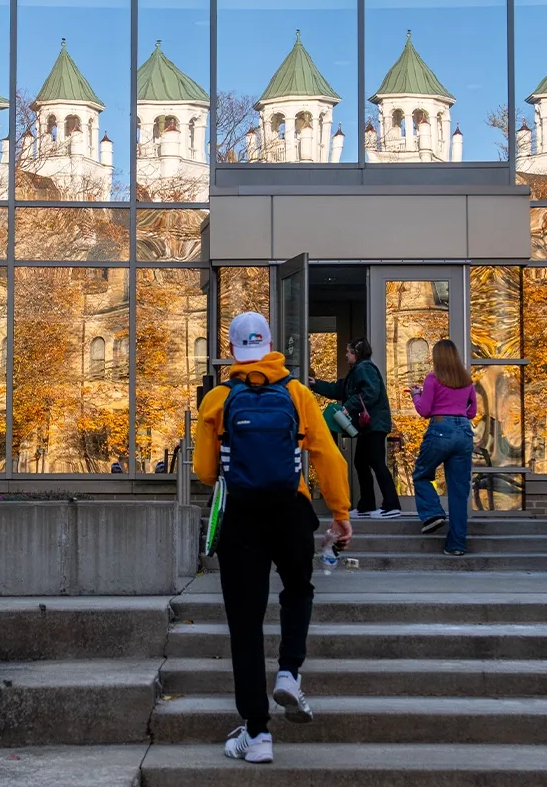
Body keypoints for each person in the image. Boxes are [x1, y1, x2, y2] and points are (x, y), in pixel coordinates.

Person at [194, 312, 352, 765]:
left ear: (234, 348)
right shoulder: (297, 393)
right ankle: (289, 671)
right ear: (269, 345)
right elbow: (327, 456)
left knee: (244, 624)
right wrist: (340, 514)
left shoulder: (219, 398)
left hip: (240, 517)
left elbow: (206, 472)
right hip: (291, 511)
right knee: (298, 590)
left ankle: (258, 733)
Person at [309, 337, 401, 518]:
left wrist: (348, 407)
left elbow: (369, 393)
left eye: (348, 351)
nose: (346, 355)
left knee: (375, 462)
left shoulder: (364, 368)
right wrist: (316, 384)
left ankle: (391, 505)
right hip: (371, 425)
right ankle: (366, 505)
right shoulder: (358, 370)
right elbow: (339, 388)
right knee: (361, 462)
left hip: (374, 425)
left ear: (355, 353)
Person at [409, 339, 477, 556]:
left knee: (421, 474)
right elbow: (472, 412)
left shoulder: (432, 379)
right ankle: (456, 545)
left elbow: (424, 410)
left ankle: (433, 513)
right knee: (459, 491)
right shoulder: (467, 381)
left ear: (437, 357)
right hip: (464, 431)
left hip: (440, 429)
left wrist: (415, 395)